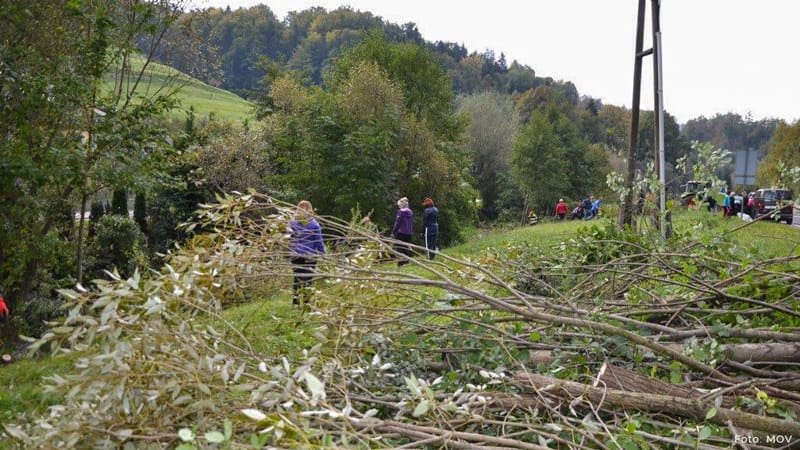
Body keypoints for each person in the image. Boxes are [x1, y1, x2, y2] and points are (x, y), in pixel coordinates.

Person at [289, 200, 326, 305]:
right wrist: (324, 254)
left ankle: (295, 303)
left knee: (297, 278)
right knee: (308, 280)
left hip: (296, 255)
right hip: (310, 256)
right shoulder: (314, 225)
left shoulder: (292, 223)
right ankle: (307, 303)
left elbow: (288, 239)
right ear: (310, 210)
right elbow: (319, 242)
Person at [392, 197, 414, 266]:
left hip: (401, 233)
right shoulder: (410, 212)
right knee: (406, 247)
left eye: (399, 205)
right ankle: (406, 261)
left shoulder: (400, 212)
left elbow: (397, 223)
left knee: (400, 248)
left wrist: (394, 231)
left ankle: (400, 263)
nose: (399, 207)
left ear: (401, 205)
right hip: (409, 233)